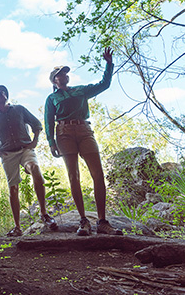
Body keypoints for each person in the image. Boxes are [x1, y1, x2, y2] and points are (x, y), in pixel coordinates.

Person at [44, 47, 122, 236]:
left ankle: (102, 222)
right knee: (74, 176)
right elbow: (48, 120)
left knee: (98, 174)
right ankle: (83, 221)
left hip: (85, 130)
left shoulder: (81, 90)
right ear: (54, 80)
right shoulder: (52, 98)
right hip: (64, 133)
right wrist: (51, 142)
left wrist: (109, 64)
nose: (63, 76)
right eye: (59, 74)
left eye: (65, 74)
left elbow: (104, 84)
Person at [0, 85, 58, 237]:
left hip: (25, 150)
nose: (2, 94)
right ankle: (17, 227)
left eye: (3, 92)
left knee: (35, 168)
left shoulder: (19, 109)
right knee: (13, 188)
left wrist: (35, 140)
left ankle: (44, 214)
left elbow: (37, 125)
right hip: (8, 155)